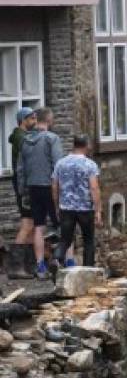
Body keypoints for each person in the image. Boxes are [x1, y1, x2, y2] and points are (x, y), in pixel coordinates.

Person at [16, 107, 63, 278]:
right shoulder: (53, 139)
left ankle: (40, 266)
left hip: (33, 188)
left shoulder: (25, 141)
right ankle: (63, 262)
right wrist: (61, 189)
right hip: (51, 187)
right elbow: (58, 166)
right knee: (61, 225)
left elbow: (20, 169)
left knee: (38, 227)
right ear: (49, 121)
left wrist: (23, 191)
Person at [51, 134, 101, 268]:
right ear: (86, 145)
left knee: (65, 240)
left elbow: (55, 186)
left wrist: (56, 206)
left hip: (66, 207)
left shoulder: (60, 163)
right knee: (88, 240)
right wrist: (97, 210)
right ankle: (88, 270)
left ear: (74, 145)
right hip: (85, 208)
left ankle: (56, 259)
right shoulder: (90, 165)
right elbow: (94, 188)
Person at [6, 107, 37, 278]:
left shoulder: (24, 137)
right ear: (23, 120)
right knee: (27, 224)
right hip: (24, 187)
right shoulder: (21, 138)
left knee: (33, 225)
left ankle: (30, 265)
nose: (35, 121)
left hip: (27, 186)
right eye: (32, 118)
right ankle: (16, 266)